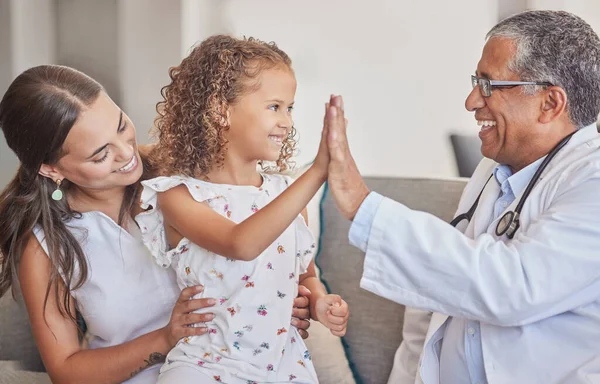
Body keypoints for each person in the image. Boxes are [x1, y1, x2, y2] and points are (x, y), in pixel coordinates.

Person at [324, 10, 600, 384]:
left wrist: (362, 205)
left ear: (549, 103)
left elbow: (512, 287)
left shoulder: (592, 181)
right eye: (476, 81)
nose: (472, 101)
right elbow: (431, 308)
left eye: (488, 85)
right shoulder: (496, 167)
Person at [0, 64, 313, 384]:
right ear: (52, 170)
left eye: (121, 126)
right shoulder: (43, 245)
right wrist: (165, 339)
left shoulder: (181, 173)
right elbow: (66, 370)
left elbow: (256, 237)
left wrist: (291, 298)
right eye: (100, 155)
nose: (126, 153)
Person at [138, 35, 350, 384]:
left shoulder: (285, 195)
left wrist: (321, 303)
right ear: (221, 110)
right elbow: (240, 243)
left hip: (284, 366)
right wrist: (317, 172)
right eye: (274, 106)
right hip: (205, 365)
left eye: (290, 108)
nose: (287, 121)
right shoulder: (179, 195)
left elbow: (305, 275)